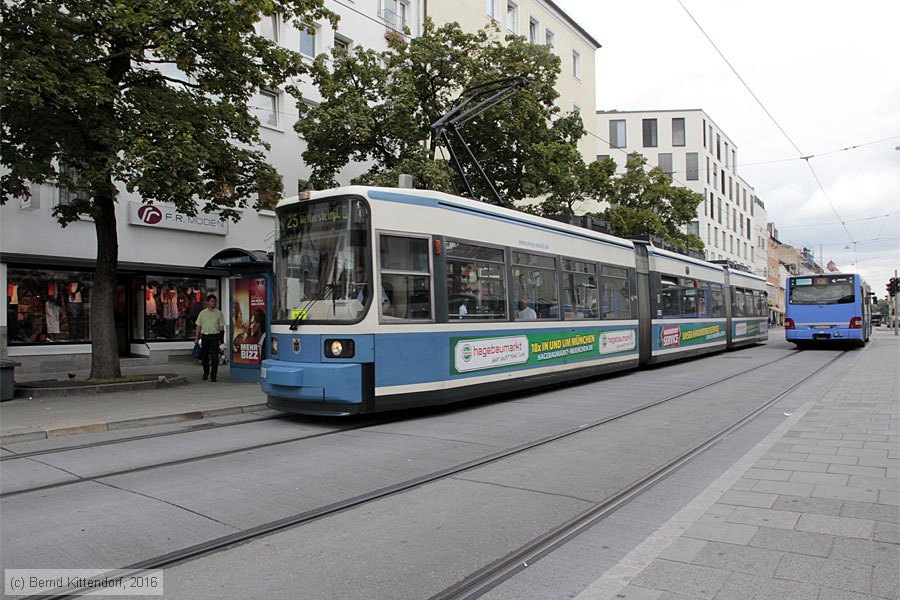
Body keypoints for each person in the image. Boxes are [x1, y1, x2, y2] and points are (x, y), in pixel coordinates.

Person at [194, 294, 225, 382]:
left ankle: (213, 375)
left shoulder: (219, 313)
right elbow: (198, 326)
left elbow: (221, 327)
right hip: (205, 336)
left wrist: (221, 339)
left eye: (215, 301)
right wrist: (196, 338)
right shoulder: (202, 313)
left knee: (215, 356)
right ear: (208, 302)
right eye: (212, 301)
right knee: (205, 356)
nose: (213, 303)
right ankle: (206, 372)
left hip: (215, 336)